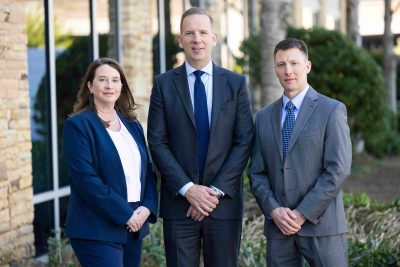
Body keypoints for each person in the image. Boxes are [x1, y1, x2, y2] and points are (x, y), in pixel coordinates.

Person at [147, 7, 254, 267]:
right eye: (190, 33)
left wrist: (212, 193)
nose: (197, 39)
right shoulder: (163, 84)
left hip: (224, 206)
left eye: (203, 32)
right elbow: (157, 142)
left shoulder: (236, 83)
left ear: (214, 38)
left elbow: (244, 141)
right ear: (180, 40)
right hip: (179, 205)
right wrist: (189, 189)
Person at [248, 38, 352, 267]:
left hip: (322, 227)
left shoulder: (331, 110)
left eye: (294, 63)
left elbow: (338, 169)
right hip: (279, 229)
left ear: (307, 66)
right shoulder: (263, 117)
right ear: (275, 69)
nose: (288, 71)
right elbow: (256, 173)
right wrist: (274, 210)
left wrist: (303, 212)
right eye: (281, 64)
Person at [63, 58, 158, 267]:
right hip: (97, 226)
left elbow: (148, 172)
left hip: (134, 223)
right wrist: (125, 214)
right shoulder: (78, 125)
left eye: (115, 80)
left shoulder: (132, 125)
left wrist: (147, 208)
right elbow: (86, 180)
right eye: (102, 80)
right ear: (90, 86)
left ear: (122, 86)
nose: (109, 86)